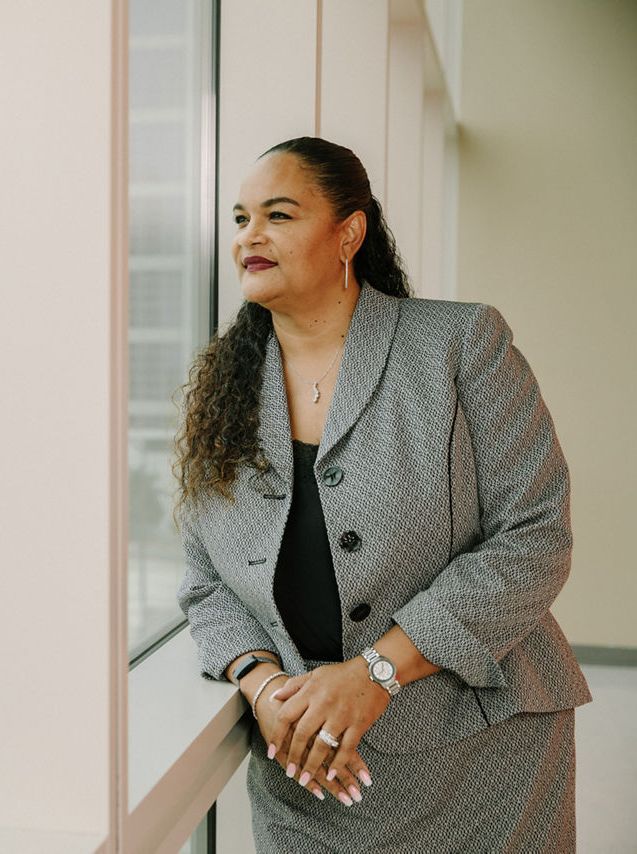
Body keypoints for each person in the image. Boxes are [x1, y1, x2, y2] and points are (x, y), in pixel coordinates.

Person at [174, 137, 591, 852]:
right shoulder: (223, 390)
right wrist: (264, 687)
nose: (250, 236)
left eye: (278, 214)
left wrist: (376, 672)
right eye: (240, 219)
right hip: (309, 768)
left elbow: (536, 536)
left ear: (349, 232)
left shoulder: (461, 343)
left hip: (480, 757)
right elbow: (206, 583)